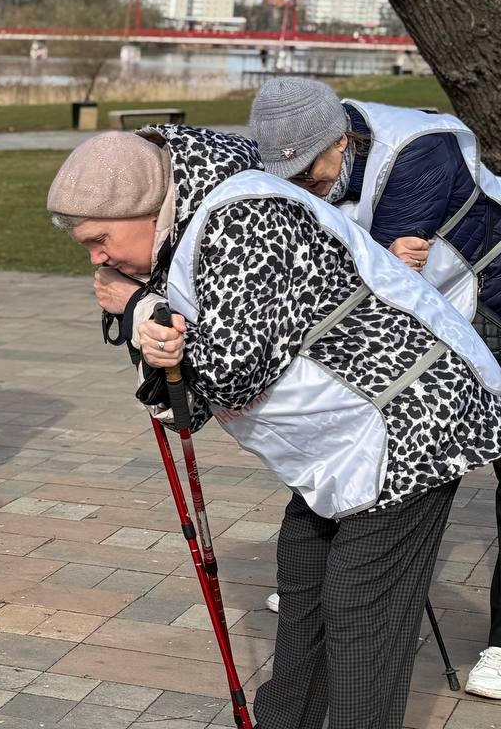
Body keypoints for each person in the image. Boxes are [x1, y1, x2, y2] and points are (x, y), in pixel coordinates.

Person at [48, 127, 501, 729]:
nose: (97, 258)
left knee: (359, 614)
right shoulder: (188, 227)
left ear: (144, 207)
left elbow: (233, 371)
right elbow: (190, 403)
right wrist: (151, 331)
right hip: (342, 442)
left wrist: (137, 310)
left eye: (100, 239)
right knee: (305, 584)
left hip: (408, 421)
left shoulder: (243, 214)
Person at [248, 76, 501, 697]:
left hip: (493, 300)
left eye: (311, 171)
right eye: (290, 176)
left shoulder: (417, 151)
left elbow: (371, 289)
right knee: (360, 425)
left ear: (341, 140)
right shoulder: (310, 163)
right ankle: (355, 590)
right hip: (436, 310)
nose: (303, 186)